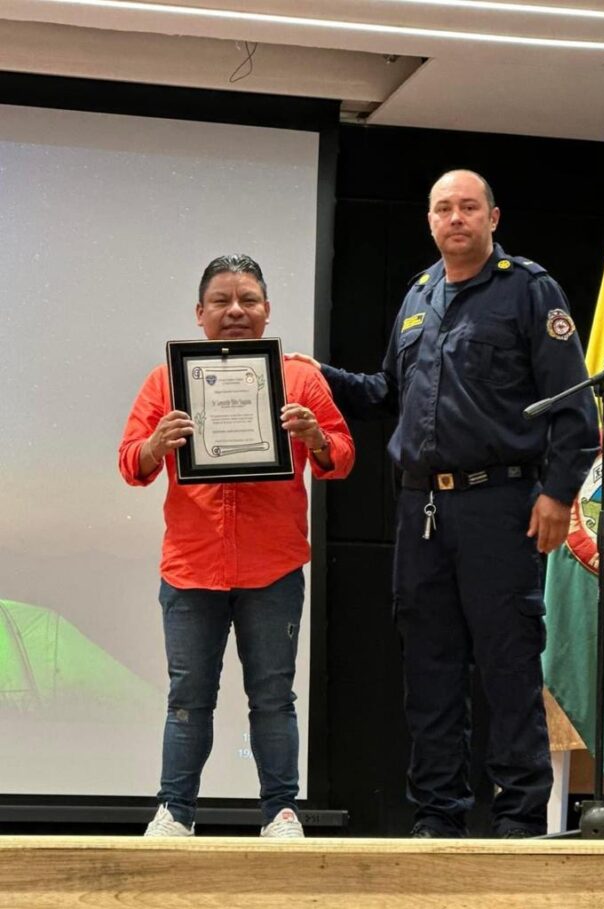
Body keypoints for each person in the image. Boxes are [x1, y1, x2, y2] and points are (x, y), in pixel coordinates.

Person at [291, 170, 598, 838]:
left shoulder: (528, 289)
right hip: (421, 510)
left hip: (502, 505)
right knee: (428, 668)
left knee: (507, 661)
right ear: (429, 221)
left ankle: (518, 817)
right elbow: (386, 393)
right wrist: (320, 376)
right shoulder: (418, 295)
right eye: (442, 208)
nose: (454, 218)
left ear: (493, 216)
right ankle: (438, 813)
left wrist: (555, 494)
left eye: (467, 207)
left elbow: (576, 410)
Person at [119, 254, 354, 839]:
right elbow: (131, 463)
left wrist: (315, 436)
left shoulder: (299, 380)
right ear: (200, 314)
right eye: (221, 301)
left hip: (272, 567)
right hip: (191, 567)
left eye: (248, 300)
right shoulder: (165, 380)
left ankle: (280, 812)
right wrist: (155, 445)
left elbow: (342, 457)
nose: (235, 311)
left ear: (267, 311)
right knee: (187, 699)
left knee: (273, 698)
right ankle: (175, 812)